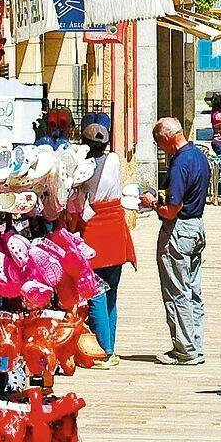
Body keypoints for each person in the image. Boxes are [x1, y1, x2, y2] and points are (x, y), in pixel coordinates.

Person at [149, 116, 212, 365]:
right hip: (197, 227)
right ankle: (195, 344)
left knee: (176, 291)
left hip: (179, 230)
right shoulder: (199, 156)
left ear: (166, 139)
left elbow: (172, 208)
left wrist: (152, 204)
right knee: (194, 289)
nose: (160, 149)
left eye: (159, 144)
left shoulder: (179, 164)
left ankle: (184, 350)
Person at [73, 112, 133, 368]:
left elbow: (77, 199)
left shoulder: (83, 168)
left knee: (95, 291)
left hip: (94, 229)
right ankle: (111, 347)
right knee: (112, 292)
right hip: (115, 227)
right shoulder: (115, 160)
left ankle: (103, 350)